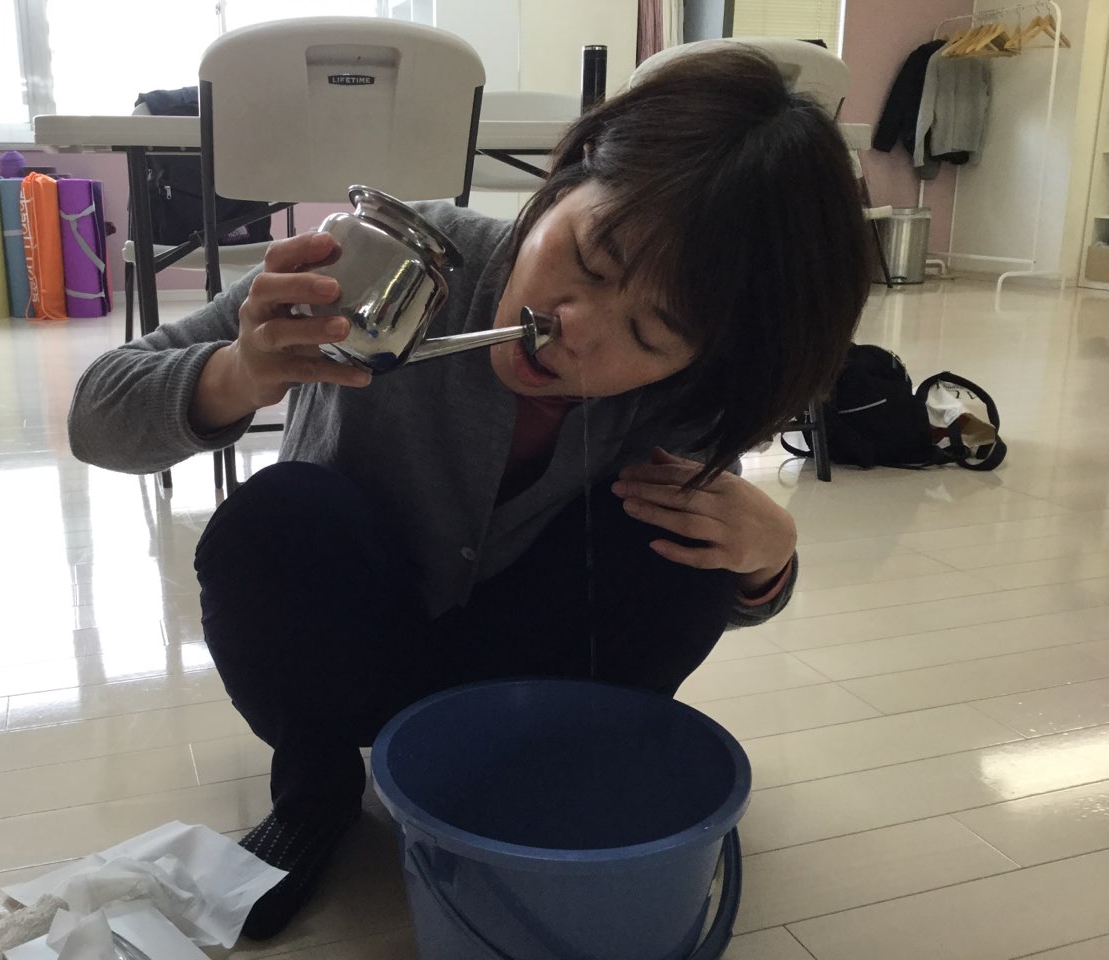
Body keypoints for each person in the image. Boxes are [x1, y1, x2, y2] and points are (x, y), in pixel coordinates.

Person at [68, 46, 870, 941]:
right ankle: (317, 794)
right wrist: (238, 372)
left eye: (648, 334)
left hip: (523, 683)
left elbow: (691, 594)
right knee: (280, 518)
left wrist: (767, 562)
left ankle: (528, 786)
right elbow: (96, 413)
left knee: (676, 540)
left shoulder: (686, 397)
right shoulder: (394, 263)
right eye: (587, 258)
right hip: (349, 643)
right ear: (564, 180)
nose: (575, 329)